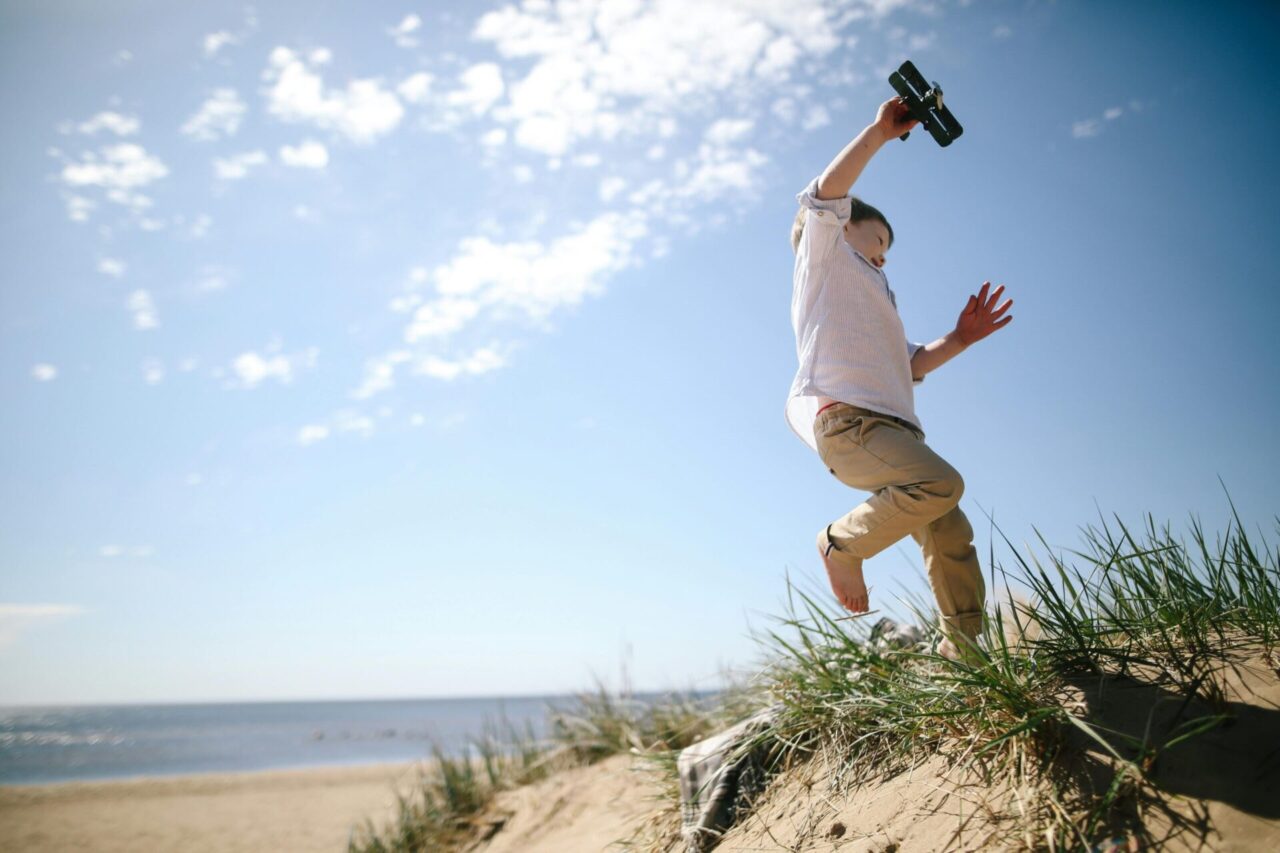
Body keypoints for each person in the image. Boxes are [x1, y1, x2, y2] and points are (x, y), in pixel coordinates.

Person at [786, 96, 1013, 659]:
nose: (885, 257)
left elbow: (910, 364)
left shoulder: (879, 297)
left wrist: (960, 338)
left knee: (947, 528)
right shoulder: (827, 256)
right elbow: (828, 193)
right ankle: (840, 544)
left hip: (894, 433)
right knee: (941, 484)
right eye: (880, 241)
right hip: (848, 425)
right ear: (846, 230)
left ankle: (963, 649)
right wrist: (879, 133)